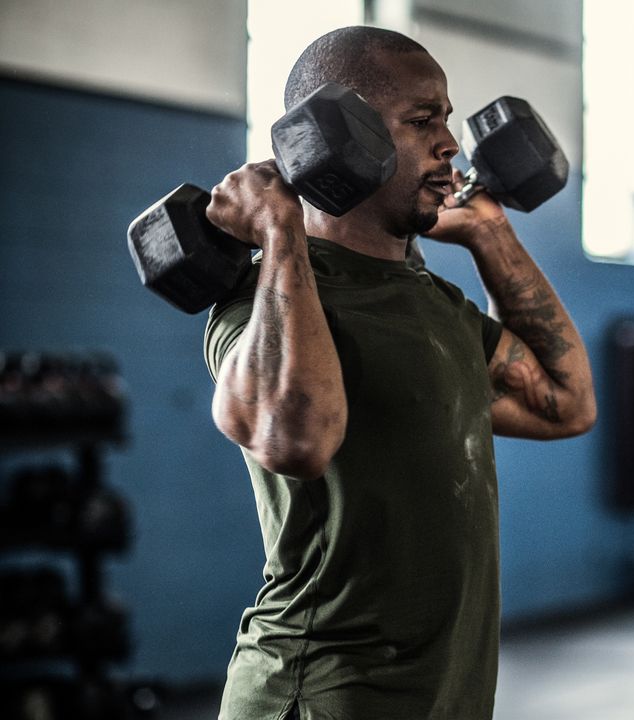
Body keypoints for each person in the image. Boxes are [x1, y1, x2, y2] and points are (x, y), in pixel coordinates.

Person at [201, 26, 596, 720]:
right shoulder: (260, 300)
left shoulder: (438, 307)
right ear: (335, 137)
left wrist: (488, 233)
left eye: (447, 118)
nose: (450, 144)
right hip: (319, 698)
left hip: (445, 697)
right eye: (423, 121)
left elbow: (567, 406)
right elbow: (296, 440)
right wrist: (281, 231)